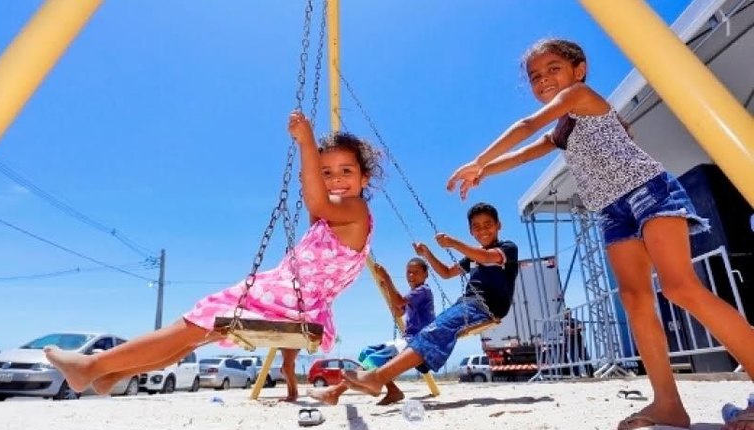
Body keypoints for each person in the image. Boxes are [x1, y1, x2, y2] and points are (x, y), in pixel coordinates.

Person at [446, 38, 754, 430]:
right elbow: (525, 153)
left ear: (579, 69)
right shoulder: (563, 130)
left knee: (679, 287)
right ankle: (668, 404)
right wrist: (484, 173)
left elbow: (526, 127)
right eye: (535, 76)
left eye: (553, 68)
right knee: (635, 299)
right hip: (612, 211)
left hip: (648, 191)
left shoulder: (580, 96)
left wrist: (478, 160)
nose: (544, 80)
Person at [44, 111, 381, 397]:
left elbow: (318, 203)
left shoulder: (356, 209)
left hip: (287, 299)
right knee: (189, 337)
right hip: (290, 299)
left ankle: (89, 366)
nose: (336, 179)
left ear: (365, 178)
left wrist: (307, 142)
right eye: (326, 173)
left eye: (346, 172)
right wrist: (309, 172)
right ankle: (113, 374)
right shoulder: (339, 218)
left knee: (190, 328)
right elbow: (317, 209)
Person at [341, 203, 519, 396]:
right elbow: (446, 273)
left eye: (488, 224)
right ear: (471, 230)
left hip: (486, 307)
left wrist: (454, 243)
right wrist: (427, 253)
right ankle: (376, 379)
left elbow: (486, 257)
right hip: (466, 304)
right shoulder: (472, 257)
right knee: (428, 334)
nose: (483, 229)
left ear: (499, 225)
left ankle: (378, 378)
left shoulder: (507, 248)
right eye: (476, 226)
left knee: (434, 332)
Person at [308, 257, 436, 405]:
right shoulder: (413, 294)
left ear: (426, 275)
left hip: (417, 341)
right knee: (366, 353)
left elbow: (399, 302)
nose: (411, 276)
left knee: (373, 360)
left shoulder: (423, 291)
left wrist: (387, 278)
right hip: (409, 339)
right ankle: (392, 390)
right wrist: (386, 287)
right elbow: (398, 311)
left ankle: (335, 392)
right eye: (409, 272)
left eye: (416, 272)